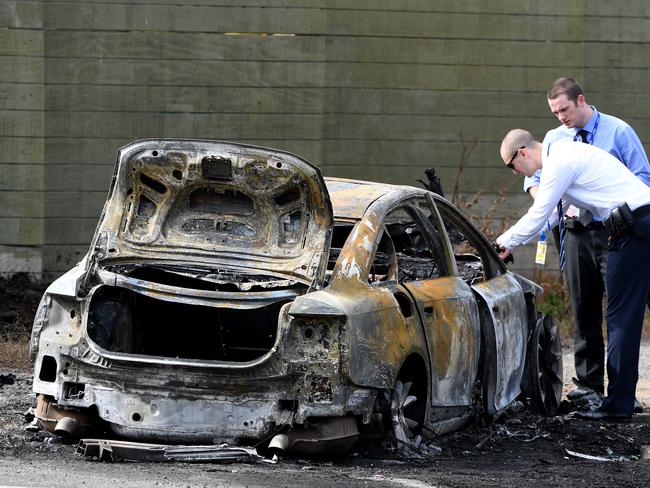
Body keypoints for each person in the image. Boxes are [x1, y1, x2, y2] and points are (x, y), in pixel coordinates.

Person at [497, 129, 650, 420]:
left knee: (620, 320)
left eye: (513, 167)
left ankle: (618, 407)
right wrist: (510, 241)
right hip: (644, 221)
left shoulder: (559, 162)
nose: (517, 173)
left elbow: (540, 212)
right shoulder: (566, 154)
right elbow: (555, 214)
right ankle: (619, 403)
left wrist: (503, 242)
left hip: (633, 231)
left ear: (523, 153)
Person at [524, 78, 650, 407]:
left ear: (581, 101)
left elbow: (643, 176)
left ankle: (622, 392)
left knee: (619, 313)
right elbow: (537, 175)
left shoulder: (618, 131)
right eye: (554, 112)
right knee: (584, 311)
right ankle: (589, 387)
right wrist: (543, 195)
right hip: (575, 232)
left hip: (614, 230)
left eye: (564, 109)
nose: (560, 117)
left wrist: (617, 209)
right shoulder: (554, 139)